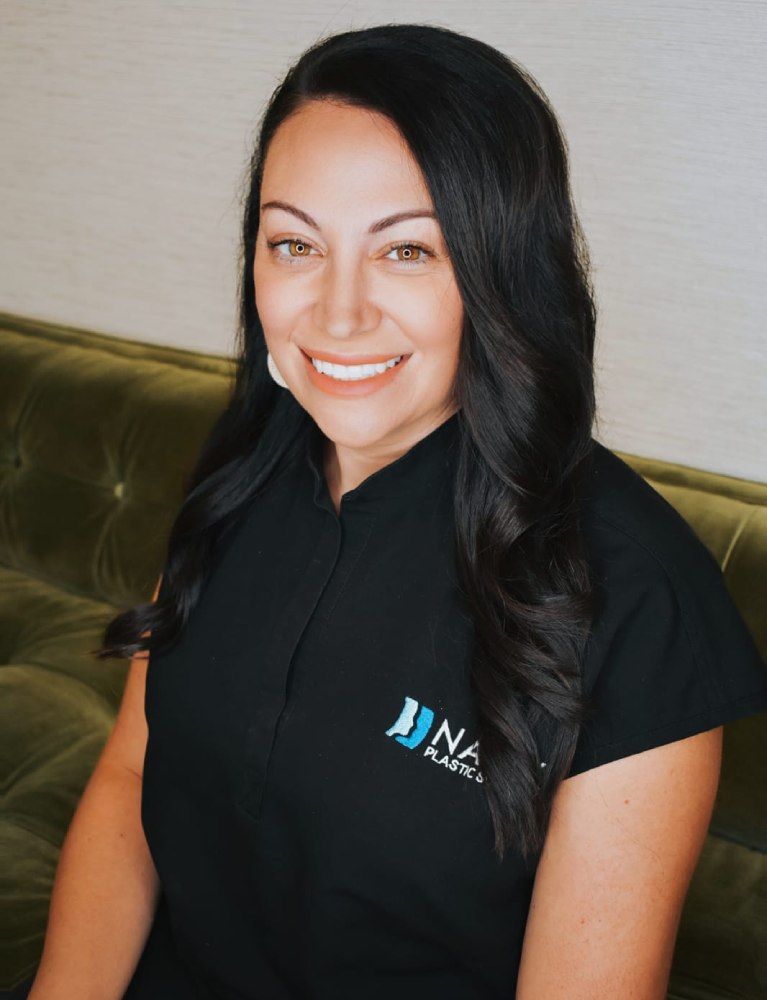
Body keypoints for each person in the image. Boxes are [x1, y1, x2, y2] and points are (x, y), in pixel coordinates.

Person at [19, 22, 767, 1000]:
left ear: (501, 268)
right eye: (295, 243)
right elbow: (133, 773)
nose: (338, 314)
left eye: (407, 249)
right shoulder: (248, 465)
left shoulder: (638, 599)